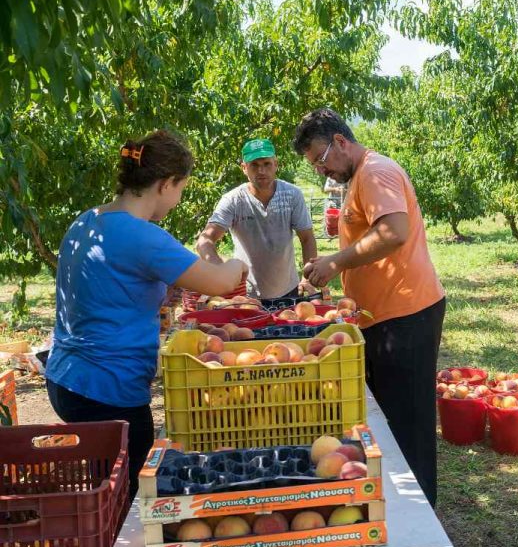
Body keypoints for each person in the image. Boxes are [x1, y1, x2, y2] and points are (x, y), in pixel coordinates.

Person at [45, 130, 248, 502]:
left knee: (104, 487)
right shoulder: (142, 236)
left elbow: (105, 290)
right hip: (107, 390)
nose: (178, 200)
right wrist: (236, 261)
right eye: (181, 189)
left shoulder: (86, 222)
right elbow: (220, 282)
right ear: (166, 184)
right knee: (133, 499)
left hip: (66, 379)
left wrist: (158, 293)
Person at [293, 108, 446, 507]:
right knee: (388, 422)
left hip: (406, 315)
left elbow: (394, 232)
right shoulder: (360, 176)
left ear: (340, 142)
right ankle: (397, 502)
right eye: (314, 166)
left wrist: (335, 263)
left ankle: (419, 512)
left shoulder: (376, 172)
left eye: (320, 160)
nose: (321, 171)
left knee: (408, 425)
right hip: (384, 317)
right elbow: (370, 242)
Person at [196, 138, 317, 304]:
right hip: (247, 295)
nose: (261, 171)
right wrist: (220, 269)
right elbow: (205, 240)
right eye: (254, 165)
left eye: (267, 164)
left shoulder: (292, 195)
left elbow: (307, 238)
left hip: (289, 291)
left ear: (276, 165)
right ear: (244, 168)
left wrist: (307, 279)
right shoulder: (233, 200)